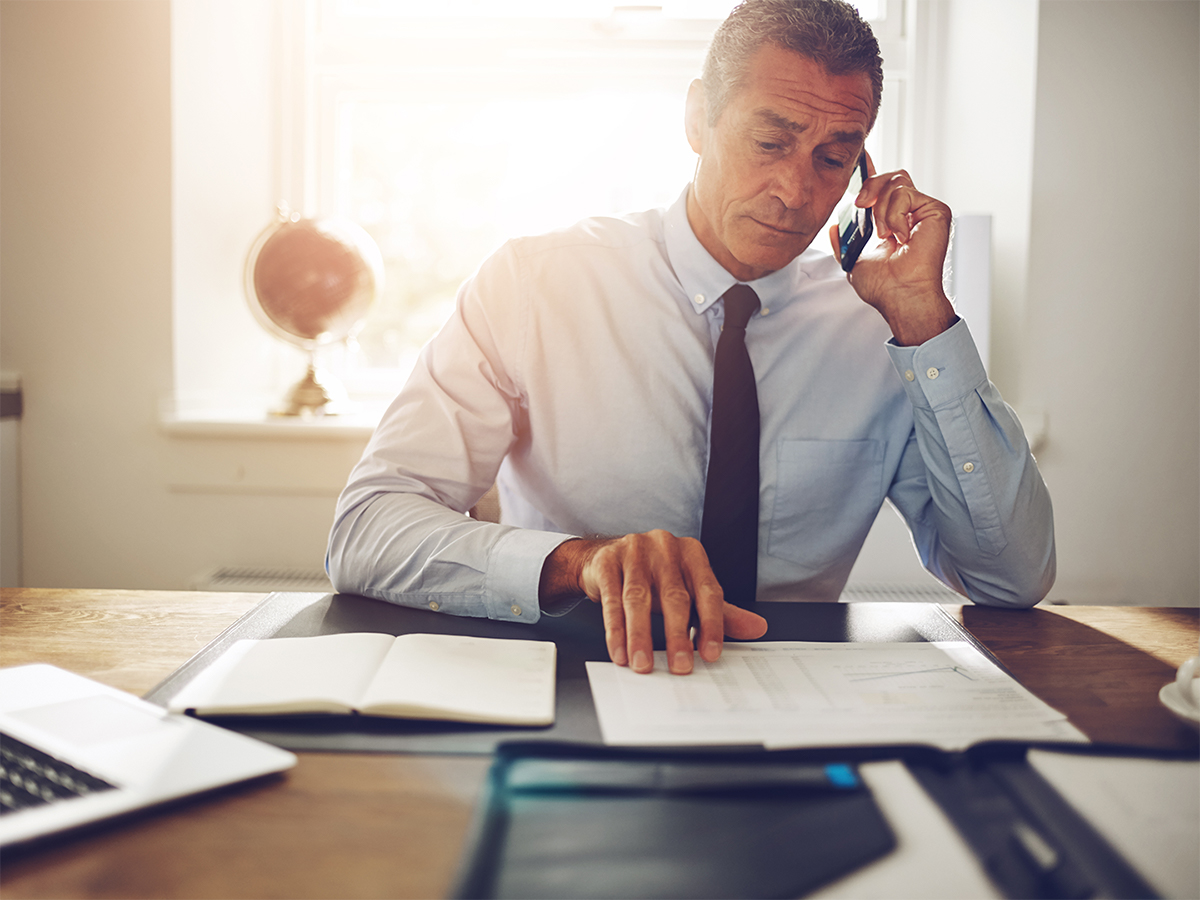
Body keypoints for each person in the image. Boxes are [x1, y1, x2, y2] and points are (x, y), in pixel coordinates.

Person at [327, 0, 1055, 677]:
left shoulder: (879, 327)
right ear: (698, 118)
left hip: (796, 692)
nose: (796, 191)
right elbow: (365, 531)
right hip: (577, 678)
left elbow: (1011, 578)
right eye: (770, 141)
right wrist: (580, 563)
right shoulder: (534, 285)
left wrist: (925, 321)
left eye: (834, 158)